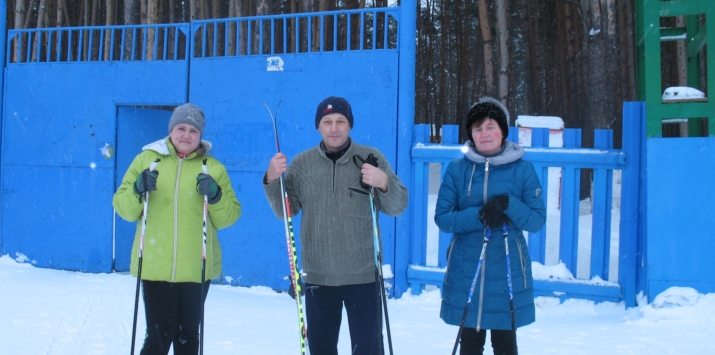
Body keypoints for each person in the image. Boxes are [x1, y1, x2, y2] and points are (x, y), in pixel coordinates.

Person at [263, 96, 409, 355]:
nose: (334, 127)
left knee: (368, 350)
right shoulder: (301, 164)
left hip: (364, 275)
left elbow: (397, 206)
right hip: (319, 276)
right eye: (327, 121)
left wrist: (383, 181)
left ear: (349, 125)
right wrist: (273, 179)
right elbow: (285, 212)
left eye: (340, 121)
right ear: (318, 126)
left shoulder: (371, 157)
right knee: (322, 349)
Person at [113, 103, 241, 355]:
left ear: (201, 135)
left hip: (197, 268)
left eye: (193, 130)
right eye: (181, 128)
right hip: (155, 265)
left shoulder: (212, 168)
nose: (186, 135)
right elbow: (123, 209)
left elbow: (229, 217)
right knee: (158, 340)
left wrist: (215, 196)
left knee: (188, 339)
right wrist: (137, 190)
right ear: (171, 130)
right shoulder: (146, 160)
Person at [435, 97, 546, 355]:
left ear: (503, 131)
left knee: (505, 345)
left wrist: (509, 205)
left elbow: (537, 221)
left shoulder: (523, 170)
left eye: (490, 127)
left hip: (507, 272)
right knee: (471, 345)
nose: (484, 134)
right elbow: (443, 218)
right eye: (477, 129)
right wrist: (480, 216)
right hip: (467, 270)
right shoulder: (457, 170)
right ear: (471, 134)